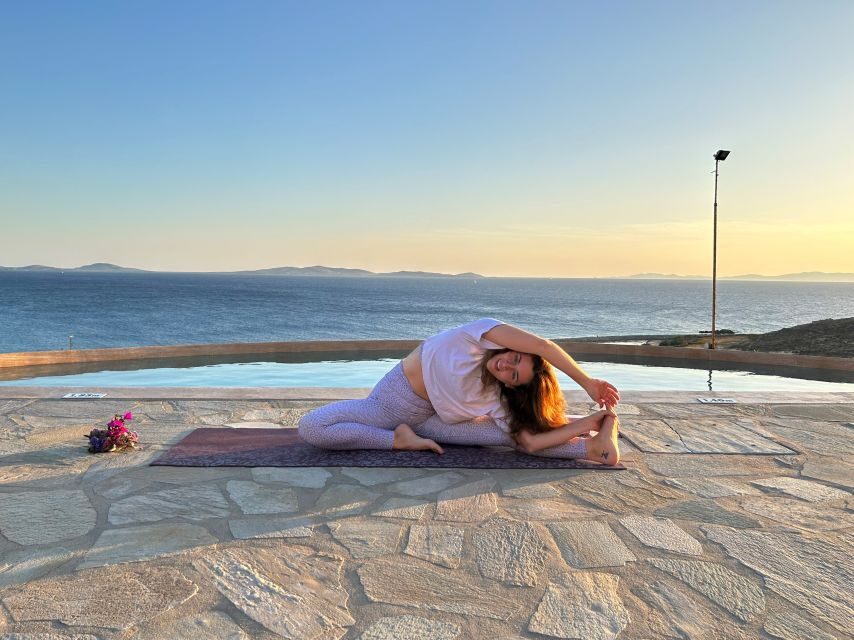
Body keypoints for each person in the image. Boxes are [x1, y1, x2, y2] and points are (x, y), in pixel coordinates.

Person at [298, 318, 621, 465]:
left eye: (514, 374)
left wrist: (583, 426)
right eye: (515, 358)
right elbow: (542, 345)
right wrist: (588, 383)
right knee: (313, 427)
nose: (507, 365)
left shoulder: (499, 396)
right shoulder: (476, 338)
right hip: (386, 407)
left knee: (515, 437)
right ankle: (398, 440)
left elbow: (531, 443)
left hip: (433, 423)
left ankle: (593, 446)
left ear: (512, 384)